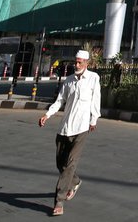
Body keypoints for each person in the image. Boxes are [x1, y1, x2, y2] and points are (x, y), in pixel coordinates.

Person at [39, 49, 100, 217]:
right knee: (61, 163)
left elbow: (96, 100)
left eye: (80, 62)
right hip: (65, 127)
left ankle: (59, 201)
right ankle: (75, 181)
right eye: (76, 61)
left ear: (87, 63)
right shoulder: (69, 81)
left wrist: (93, 119)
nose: (77, 64)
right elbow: (60, 101)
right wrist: (47, 114)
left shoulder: (94, 78)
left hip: (81, 128)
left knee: (71, 164)